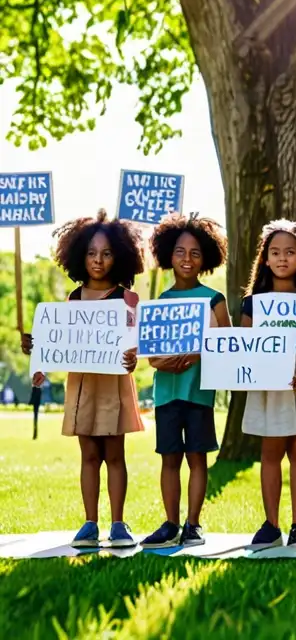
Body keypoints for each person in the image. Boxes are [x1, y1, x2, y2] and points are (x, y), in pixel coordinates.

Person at [21, 210, 144, 548]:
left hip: (114, 384)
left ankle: (118, 524)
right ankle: (90, 523)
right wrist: (38, 352)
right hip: (82, 386)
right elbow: (60, 341)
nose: (98, 260)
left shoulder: (127, 299)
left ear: (119, 256)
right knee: (88, 455)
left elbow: (134, 345)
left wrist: (132, 358)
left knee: (115, 455)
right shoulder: (73, 299)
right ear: (80, 255)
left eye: (106, 253)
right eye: (91, 253)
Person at [141, 214, 231, 549]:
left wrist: (196, 356)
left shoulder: (213, 299)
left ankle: (193, 524)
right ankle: (170, 523)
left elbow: (227, 345)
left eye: (194, 253)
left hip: (199, 392)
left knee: (197, 457)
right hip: (166, 391)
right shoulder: (161, 302)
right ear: (169, 255)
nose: (187, 259)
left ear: (205, 257)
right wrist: (169, 363)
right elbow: (152, 358)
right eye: (180, 252)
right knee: (169, 458)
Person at [241, 220, 296, 551]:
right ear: (265, 258)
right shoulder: (253, 303)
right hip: (271, 386)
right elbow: (245, 348)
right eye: (275, 252)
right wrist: (271, 371)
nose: (282, 259)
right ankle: (271, 524)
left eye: (290, 252)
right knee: (270, 453)